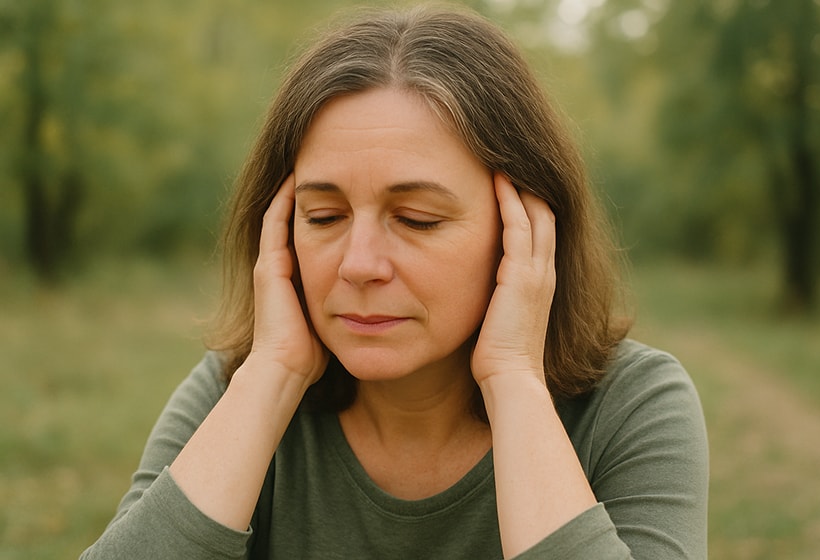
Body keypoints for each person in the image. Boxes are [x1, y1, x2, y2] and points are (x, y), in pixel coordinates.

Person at [81, 5, 708, 559]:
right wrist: (271, 375)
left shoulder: (631, 405)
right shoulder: (236, 391)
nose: (359, 263)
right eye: (323, 217)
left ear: (524, 228)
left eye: (416, 219)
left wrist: (514, 378)